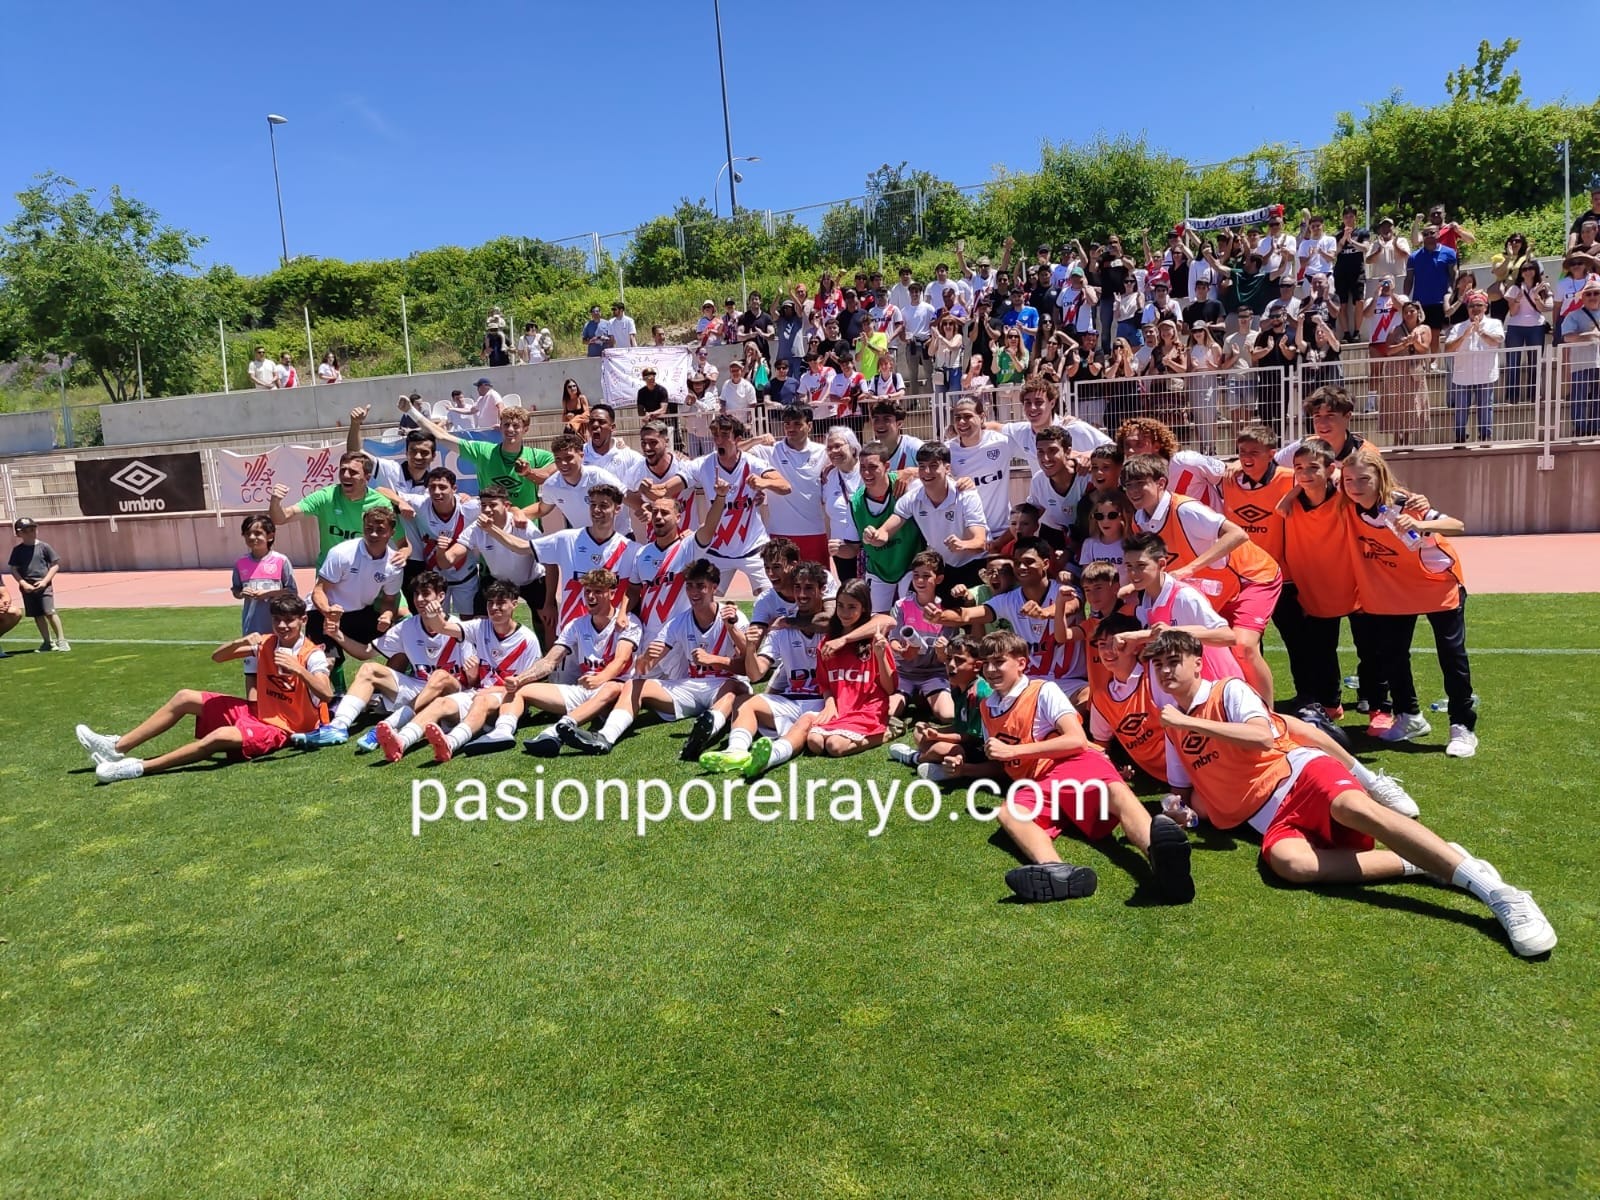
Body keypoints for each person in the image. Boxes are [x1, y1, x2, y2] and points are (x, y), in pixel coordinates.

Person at [1144, 629, 1555, 957]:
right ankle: (1421, 859)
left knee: (1357, 808)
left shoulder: (1228, 691)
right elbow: (1182, 789)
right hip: (1267, 817)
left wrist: (1190, 724)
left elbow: (1259, 737)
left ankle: (1501, 895)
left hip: (1297, 774)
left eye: (1173, 661)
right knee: (1291, 865)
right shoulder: (1175, 725)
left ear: (1198, 662)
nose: (1165, 671)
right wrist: (1179, 811)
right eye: (1158, 665)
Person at [969, 630, 1194, 905]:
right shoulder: (986, 706)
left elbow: (1076, 739)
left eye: (999, 662)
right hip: (1037, 783)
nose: (990, 670)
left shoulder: (1043, 690)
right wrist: (962, 769)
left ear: (1021, 663)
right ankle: (1056, 871)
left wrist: (1014, 750)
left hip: (1072, 763)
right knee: (1008, 813)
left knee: (1116, 794)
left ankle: (1162, 858)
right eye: (986, 663)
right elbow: (1002, 764)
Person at [77, 593, 331, 784]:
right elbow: (217, 657)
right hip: (258, 711)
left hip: (284, 729)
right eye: (277, 620)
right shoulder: (266, 643)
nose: (283, 626)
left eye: (289, 621)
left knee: (221, 736)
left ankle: (137, 767)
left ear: (303, 620)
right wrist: (239, 641)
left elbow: (327, 694)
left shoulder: (312, 655)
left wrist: (299, 670)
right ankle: (116, 748)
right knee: (185, 696)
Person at [1341, 447, 1478, 757]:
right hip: (1394, 591)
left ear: (1380, 478)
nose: (1355, 486)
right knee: (1393, 655)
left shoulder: (1404, 503)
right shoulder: (1347, 505)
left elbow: (1457, 525)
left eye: (1364, 479)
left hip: (1437, 585)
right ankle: (1410, 716)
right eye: (1349, 480)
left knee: (1452, 657)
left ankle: (1462, 726)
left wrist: (1421, 525)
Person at [557, 559, 752, 756]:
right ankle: (606, 736)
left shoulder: (733, 616)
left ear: (714, 588)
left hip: (725, 685)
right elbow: (642, 669)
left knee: (733, 689)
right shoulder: (679, 622)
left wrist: (721, 648)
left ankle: (705, 730)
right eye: (689, 586)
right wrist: (645, 659)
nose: (693, 592)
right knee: (634, 684)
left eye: (700, 586)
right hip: (691, 687)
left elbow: (750, 669)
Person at [1122, 457, 1280, 699]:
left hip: (1251, 577)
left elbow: (1237, 534)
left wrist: (1191, 568)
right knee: (1208, 648)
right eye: (1128, 485)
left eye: (1139, 483)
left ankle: (1269, 722)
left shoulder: (1185, 510)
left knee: (1243, 646)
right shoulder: (1139, 521)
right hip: (1214, 588)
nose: (1133, 491)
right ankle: (1229, 707)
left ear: (1161, 483)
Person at [293, 569, 467, 752]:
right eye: (416, 594)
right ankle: (338, 726)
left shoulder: (458, 627)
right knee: (369, 669)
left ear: (440, 596)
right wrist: (336, 634)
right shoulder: (407, 627)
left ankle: (388, 726)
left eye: (426, 594)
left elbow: (472, 677)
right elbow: (365, 652)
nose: (420, 599)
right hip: (418, 687)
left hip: (451, 693)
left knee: (439, 677)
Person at [374, 579, 543, 763]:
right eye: (490, 602)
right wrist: (435, 614)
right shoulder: (480, 626)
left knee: (482, 700)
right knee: (440, 704)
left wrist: (499, 689)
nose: (495, 608)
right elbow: (444, 628)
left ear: (514, 604)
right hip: (476, 692)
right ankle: (401, 740)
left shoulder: (528, 639)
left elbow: (529, 686)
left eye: (501, 603)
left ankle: (451, 743)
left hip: (505, 699)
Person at [697, 561, 832, 779]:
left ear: (822, 590)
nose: (802, 594)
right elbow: (756, 673)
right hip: (791, 699)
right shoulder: (780, 629)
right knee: (744, 702)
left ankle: (769, 759)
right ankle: (736, 752)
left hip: (823, 702)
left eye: (809, 588)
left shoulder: (834, 627)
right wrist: (750, 648)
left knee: (805, 723)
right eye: (798, 588)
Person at [930, 537, 1089, 703]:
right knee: (987, 702)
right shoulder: (1008, 600)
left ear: (1046, 564)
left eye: (1028, 562)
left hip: (1071, 681)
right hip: (1029, 683)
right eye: (1017, 562)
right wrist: (940, 616)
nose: (1021, 567)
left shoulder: (1065, 591)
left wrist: (1044, 613)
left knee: (1087, 697)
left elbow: (1072, 606)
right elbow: (967, 615)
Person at [505, 569, 642, 759]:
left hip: (615, 693)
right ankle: (503, 732)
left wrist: (600, 678)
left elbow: (622, 660)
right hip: (584, 690)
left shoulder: (628, 621)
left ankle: (556, 730)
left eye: (597, 591)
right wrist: (520, 679)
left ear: (612, 593)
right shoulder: (577, 624)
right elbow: (550, 660)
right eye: (587, 592)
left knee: (611, 687)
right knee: (522, 690)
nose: (591, 597)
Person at [864, 443, 988, 592]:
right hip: (943, 568)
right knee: (916, 606)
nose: (927, 472)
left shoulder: (967, 496)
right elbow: (884, 533)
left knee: (962, 613)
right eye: (922, 466)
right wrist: (873, 536)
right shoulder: (912, 498)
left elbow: (980, 543)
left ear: (947, 469)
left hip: (973, 564)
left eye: (934, 465)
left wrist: (962, 545)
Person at [694, 415, 790, 595]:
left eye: (724, 435)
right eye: (715, 435)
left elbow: (785, 486)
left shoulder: (752, 463)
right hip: (717, 549)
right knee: (702, 597)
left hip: (754, 547)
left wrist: (764, 483)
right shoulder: (704, 464)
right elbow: (675, 478)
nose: (718, 440)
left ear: (738, 439)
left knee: (772, 596)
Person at [404, 402, 556, 515]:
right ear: (500, 427)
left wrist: (529, 473)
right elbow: (442, 436)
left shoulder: (540, 456)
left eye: (516, 426)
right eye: (506, 424)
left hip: (524, 526)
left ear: (526, 430)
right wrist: (410, 411)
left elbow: (547, 475)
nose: (510, 429)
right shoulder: (483, 451)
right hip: (491, 527)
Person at [269, 451, 397, 569]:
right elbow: (281, 518)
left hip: (364, 572)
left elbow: (402, 543)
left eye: (353, 472)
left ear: (367, 478)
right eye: (342, 470)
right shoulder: (326, 497)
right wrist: (275, 501)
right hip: (328, 573)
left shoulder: (381, 503)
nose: (346, 475)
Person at [384, 466, 481, 614]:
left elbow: (502, 505)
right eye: (432, 487)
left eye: (442, 487)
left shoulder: (469, 506)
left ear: (454, 488)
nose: (436, 492)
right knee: (436, 621)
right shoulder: (421, 504)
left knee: (468, 622)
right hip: (436, 578)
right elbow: (381, 490)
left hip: (466, 577)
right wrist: (401, 502)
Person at [851, 440, 924, 611]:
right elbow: (852, 546)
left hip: (910, 564)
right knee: (875, 620)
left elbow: (936, 475)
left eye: (873, 467)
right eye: (862, 467)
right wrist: (839, 547)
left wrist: (912, 471)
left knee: (911, 617)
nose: (866, 472)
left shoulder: (907, 486)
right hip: (879, 568)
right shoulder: (855, 502)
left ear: (887, 466)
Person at [231, 514, 296, 698]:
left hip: (278, 630)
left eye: (258, 533)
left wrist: (268, 594)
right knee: (252, 673)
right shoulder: (240, 563)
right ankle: (253, 710)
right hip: (252, 629)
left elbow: (292, 591)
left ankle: (282, 710)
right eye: (248, 534)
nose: (252, 538)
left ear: (270, 536)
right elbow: (236, 589)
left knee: (279, 672)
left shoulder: (281, 561)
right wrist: (241, 593)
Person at [1443, 290, 1505, 444]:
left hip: (1485, 374)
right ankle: (1460, 438)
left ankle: (1485, 438)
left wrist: (1480, 332)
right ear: (1467, 308)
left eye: (1479, 305)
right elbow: (1448, 348)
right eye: (1471, 305)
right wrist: (1464, 335)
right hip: (1463, 375)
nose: (1475, 308)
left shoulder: (1495, 323)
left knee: (1485, 407)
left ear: (1485, 307)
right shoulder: (1458, 327)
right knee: (1461, 409)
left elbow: (1497, 340)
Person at [9, 517, 68, 652]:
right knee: (37, 614)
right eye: (27, 531)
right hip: (28, 588)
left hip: (44, 586)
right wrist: (23, 583)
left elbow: (55, 565)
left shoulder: (44, 547)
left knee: (50, 612)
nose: (31, 533)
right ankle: (47, 641)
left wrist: (45, 581)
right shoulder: (18, 550)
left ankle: (62, 640)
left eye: (33, 529)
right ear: (19, 534)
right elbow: (14, 569)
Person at [819, 425, 863, 581]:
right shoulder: (828, 477)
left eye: (838, 446)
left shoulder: (867, 471)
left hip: (868, 548)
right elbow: (827, 515)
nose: (833, 451)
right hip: (841, 550)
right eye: (829, 448)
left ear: (852, 447)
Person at [1560, 277, 1600, 438]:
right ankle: (1580, 429)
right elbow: (1567, 337)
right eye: (1588, 293)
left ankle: (1596, 428)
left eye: (1596, 293)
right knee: (1579, 397)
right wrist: (1589, 336)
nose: (1592, 296)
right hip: (1581, 362)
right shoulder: (1573, 315)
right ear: (1582, 297)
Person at [1406, 225, 1458, 331]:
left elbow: (1454, 276)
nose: (1429, 236)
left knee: (1435, 337)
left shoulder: (1449, 253)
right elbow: (1409, 279)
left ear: (1438, 234)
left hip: (1441, 303)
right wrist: (1405, 299)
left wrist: (1452, 295)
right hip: (1419, 303)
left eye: (1432, 233)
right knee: (1421, 336)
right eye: (1425, 234)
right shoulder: (1413, 257)